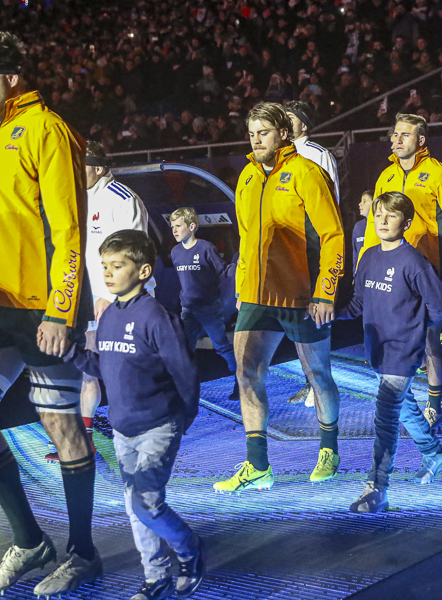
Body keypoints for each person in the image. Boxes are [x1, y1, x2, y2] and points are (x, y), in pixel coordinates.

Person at [0, 30, 101, 597]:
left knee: (61, 427)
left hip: (43, 307)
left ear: (12, 75)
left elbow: (68, 228)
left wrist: (62, 310)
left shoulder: (47, 130)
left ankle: (83, 553)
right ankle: (31, 542)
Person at [213, 102, 344, 493]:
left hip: (302, 295)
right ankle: (258, 466)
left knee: (318, 374)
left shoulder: (307, 172)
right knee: (247, 373)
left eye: (263, 132)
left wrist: (325, 292)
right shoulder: (247, 178)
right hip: (255, 295)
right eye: (251, 133)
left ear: (283, 134)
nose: (256, 140)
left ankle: (329, 448)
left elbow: (334, 235)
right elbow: (245, 237)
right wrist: (241, 286)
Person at [66, 230, 205, 600]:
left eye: (117, 265)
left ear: (143, 271)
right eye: (105, 266)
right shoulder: (110, 314)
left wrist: (184, 417)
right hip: (123, 429)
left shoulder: (157, 317)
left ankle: (190, 551)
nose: (108, 273)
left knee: (145, 502)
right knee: (136, 506)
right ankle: (156, 576)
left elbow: (186, 372)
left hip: (158, 426)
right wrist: (71, 353)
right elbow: (104, 366)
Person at [339, 192, 442, 514]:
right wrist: (329, 312)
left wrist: (414, 331)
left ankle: (378, 488)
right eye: (379, 215)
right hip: (377, 350)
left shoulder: (414, 262)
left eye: (391, 216)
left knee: (385, 416)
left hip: (402, 352)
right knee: (404, 410)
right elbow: (358, 304)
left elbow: (441, 307)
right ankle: (434, 453)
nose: (383, 221)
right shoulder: (369, 256)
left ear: (407, 222)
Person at [359, 113, 442, 428]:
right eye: (395, 135)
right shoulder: (386, 176)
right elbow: (374, 223)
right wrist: (363, 265)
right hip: (388, 269)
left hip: (426, 269)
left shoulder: (439, 173)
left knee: (428, 339)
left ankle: (434, 403)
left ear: (420, 140)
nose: (397, 140)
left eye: (404, 135)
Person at [43, 139, 152, 464]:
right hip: (91, 302)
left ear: (100, 167)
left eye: (82, 165)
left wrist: (110, 295)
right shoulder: (76, 200)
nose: (75, 172)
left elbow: (135, 253)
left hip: (123, 303)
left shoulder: (121, 198)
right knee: (88, 371)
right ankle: (85, 441)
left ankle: (146, 437)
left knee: (127, 371)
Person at [284, 100, 342, 408]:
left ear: (304, 125)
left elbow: (331, 204)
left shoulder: (318, 154)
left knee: (315, 316)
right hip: (290, 249)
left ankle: (321, 382)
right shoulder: (280, 157)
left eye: (290, 118)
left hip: (312, 244)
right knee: (296, 316)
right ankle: (309, 381)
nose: (284, 122)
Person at [169, 207, 238, 387]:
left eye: (178, 226)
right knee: (185, 348)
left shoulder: (206, 248)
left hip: (209, 308)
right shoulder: (175, 252)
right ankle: (184, 386)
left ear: (192, 226)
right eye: (172, 226)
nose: (174, 230)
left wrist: (240, 267)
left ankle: (241, 381)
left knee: (221, 345)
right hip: (188, 309)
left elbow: (223, 271)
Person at [352, 190, 374, 274]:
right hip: (361, 274)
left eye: (364, 201)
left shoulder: (381, 226)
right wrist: (355, 273)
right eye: (361, 201)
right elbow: (355, 253)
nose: (360, 204)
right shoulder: (358, 226)